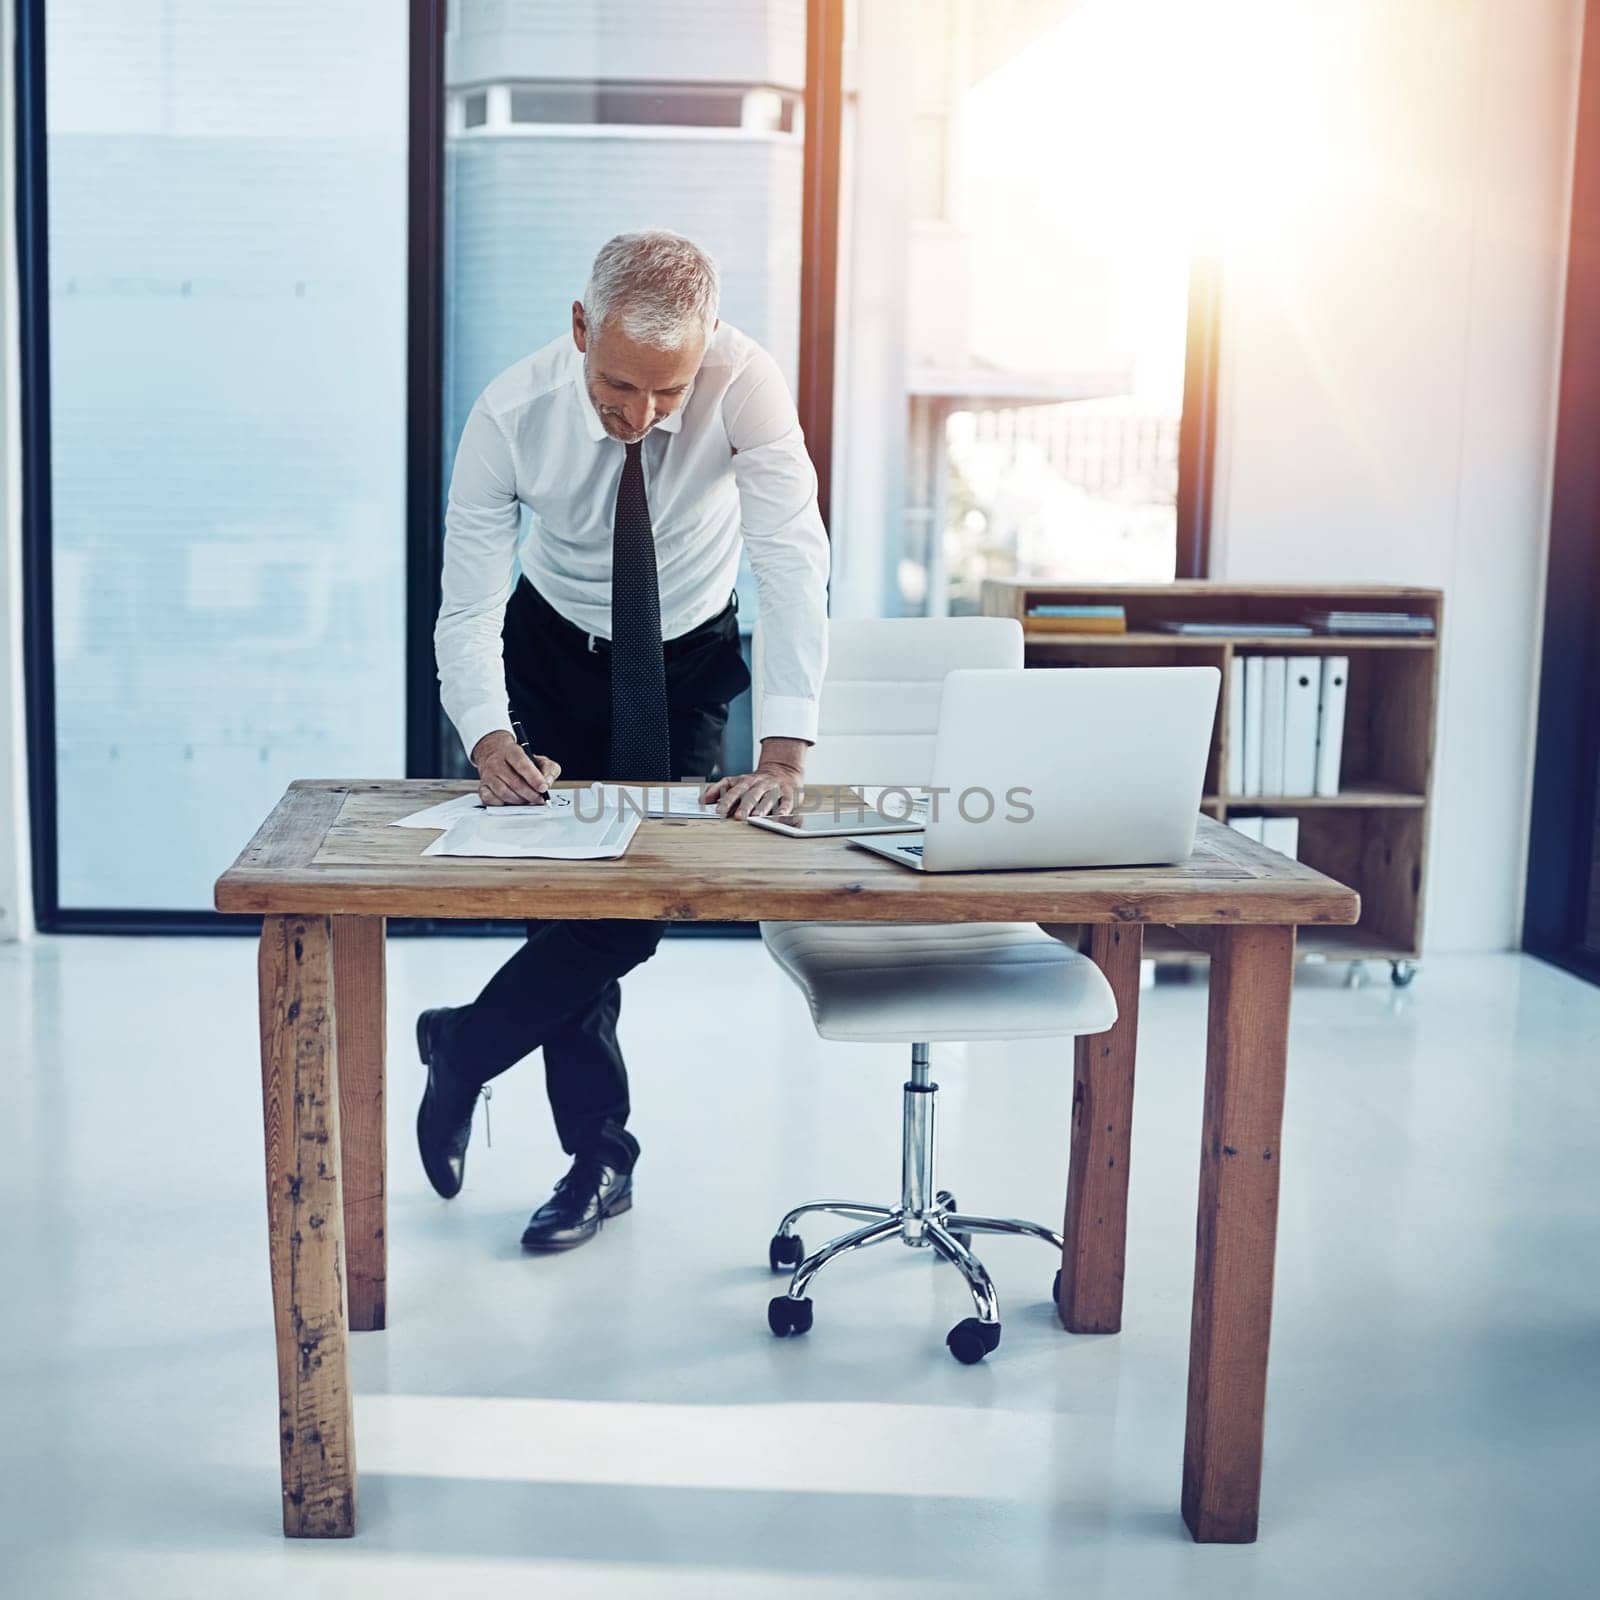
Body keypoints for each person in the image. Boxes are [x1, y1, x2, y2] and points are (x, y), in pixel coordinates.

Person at [416, 229, 829, 1251]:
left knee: (636, 908)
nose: (640, 416)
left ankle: (462, 1048)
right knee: (572, 901)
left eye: (667, 392)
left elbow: (789, 560)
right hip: (553, 650)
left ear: (710, 346)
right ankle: (599, 1158)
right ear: (577, 328)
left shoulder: (746, 385)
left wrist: (783, 749)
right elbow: (465, 605)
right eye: (617, 385)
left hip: (684, 656)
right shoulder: (510, 416)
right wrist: (486, 734)